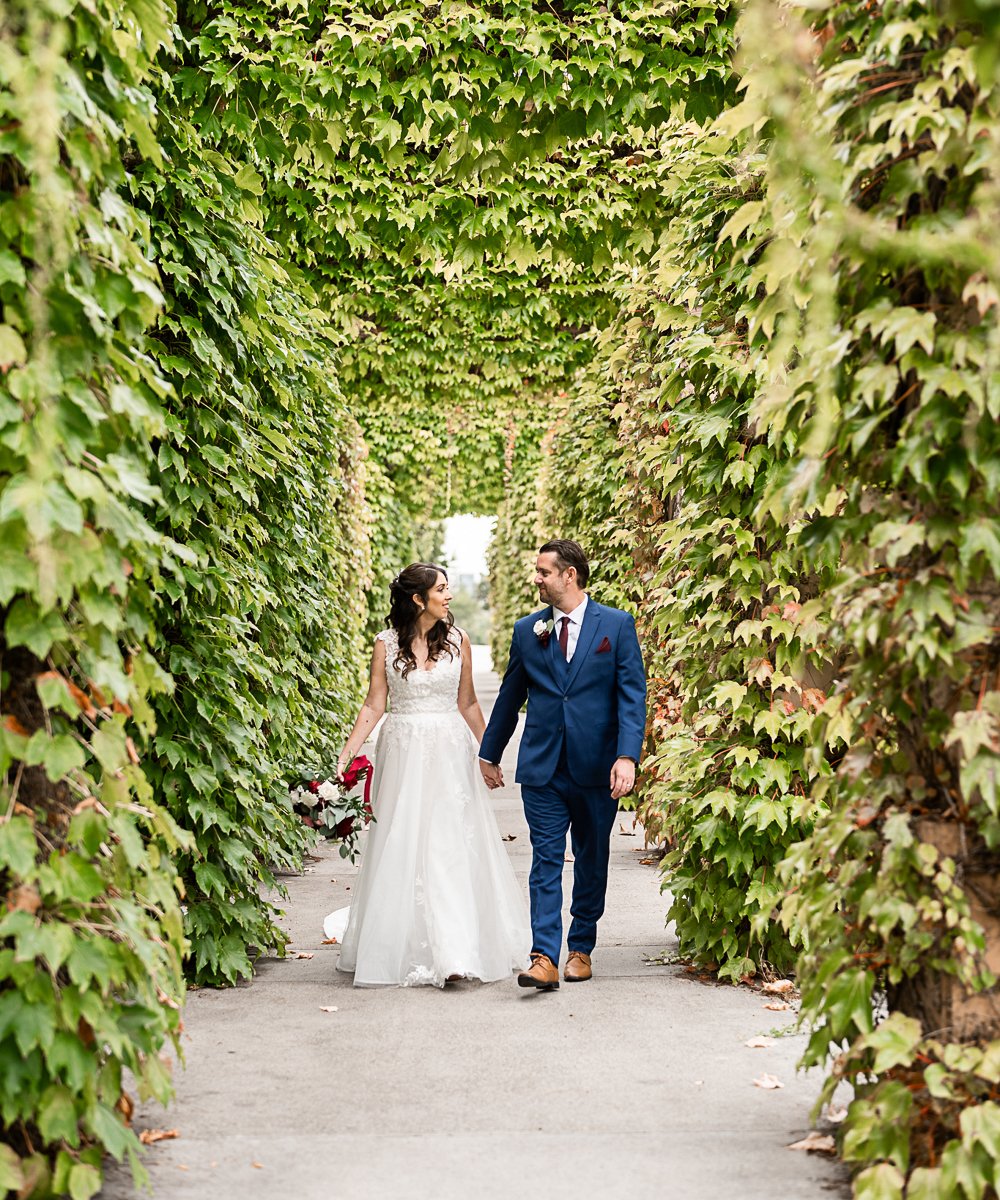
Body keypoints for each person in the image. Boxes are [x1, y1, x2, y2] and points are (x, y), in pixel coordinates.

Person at [326, 563, 530, 988]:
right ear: (418, 599)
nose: (449, 595)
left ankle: (454, 951)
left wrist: (488, 754)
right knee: (401, 842)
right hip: (402, 752)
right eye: (441, 589)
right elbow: (374, 704)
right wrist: (346, 755)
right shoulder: (385, 644)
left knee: (449, 844)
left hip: (450, 753)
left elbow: (469, 703)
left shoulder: (458, 640)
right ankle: (400, 942)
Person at [478, 539, 646, 990]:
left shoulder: (616, 625)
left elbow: (632, 698)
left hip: (598, 768)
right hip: (543, 769)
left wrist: (627, 756)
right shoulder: (527, 630)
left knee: (592, 859)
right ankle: (543, 957)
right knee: (545, 860)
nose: (536, 579)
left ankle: (581, 948)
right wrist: (489, 753)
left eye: (543, 572)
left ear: (569, 575)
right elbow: (511, 697)